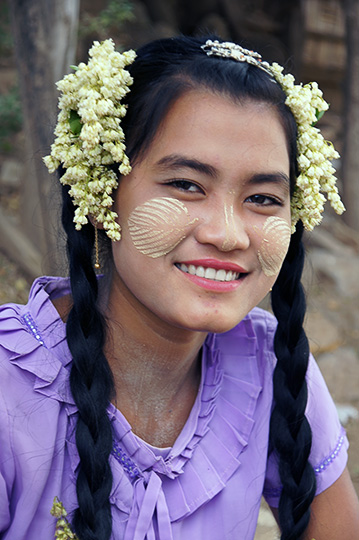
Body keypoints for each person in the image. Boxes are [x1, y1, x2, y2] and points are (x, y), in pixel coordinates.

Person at [0, 35, 358, 540]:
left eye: (262, 197)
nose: (228, 234)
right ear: (103, 198)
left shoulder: (272, 363)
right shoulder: (8, 388)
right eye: (187, 185)